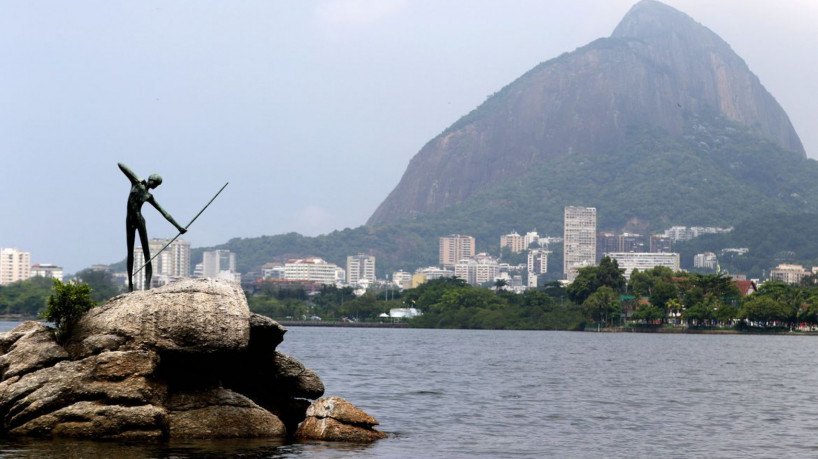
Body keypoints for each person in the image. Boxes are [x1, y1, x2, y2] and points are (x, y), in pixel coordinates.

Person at [118, 163, 187, 291]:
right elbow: (121, 165)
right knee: (130, 253)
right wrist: (136, 177)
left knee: (146, 253)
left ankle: (147, 285)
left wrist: (179, 227)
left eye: (157, 185)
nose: (155, 186)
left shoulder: (149, 196)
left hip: (139, 220)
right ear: (151, 180)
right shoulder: (136, 183)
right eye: (155, 183)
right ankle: (131, 286)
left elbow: (164, 213)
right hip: (129, 220)